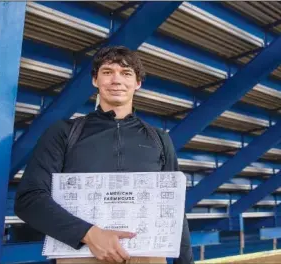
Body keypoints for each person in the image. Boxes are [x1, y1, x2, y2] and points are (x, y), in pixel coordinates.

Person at [14, 46, 194, 264]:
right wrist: (89, 233)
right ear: (95, 80)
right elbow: (28, 199)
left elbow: (174, 208)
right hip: (81, 253)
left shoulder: (159, 138)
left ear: (137, 83)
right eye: (107, 72)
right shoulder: (64, 132)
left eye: (126, 73)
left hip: (146, 255)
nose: (116, 80)